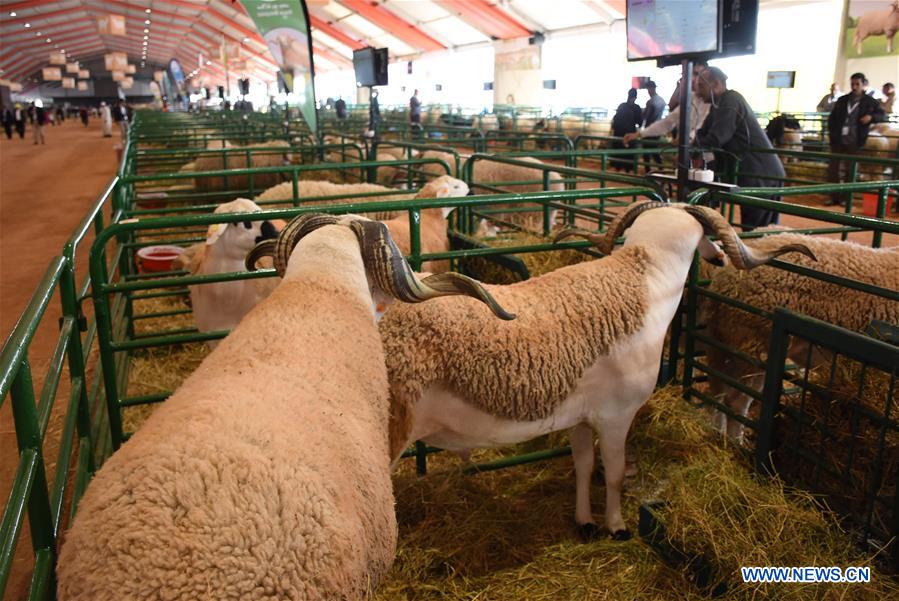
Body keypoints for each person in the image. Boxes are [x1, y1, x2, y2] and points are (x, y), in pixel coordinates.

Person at [694, 66, 785, 229]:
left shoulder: (731, 100)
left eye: (701, 86)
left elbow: (717, 137)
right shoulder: (719, 103)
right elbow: (704, 133)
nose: (697, 92)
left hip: (760, 173)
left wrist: (693, 147)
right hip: (751, 171)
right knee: (755, 227)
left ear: (716, 83)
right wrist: (697, 144)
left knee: (758, 231)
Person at [623, 66, 711, 163]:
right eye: (686, 74)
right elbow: (668, 122)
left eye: (696, 74)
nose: (692, 78)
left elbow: (702, 127)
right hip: (690, 154)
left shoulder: (712, 101)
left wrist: (686, 139)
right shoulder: (691, 98)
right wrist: (640, 134)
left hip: (705, 158)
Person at [826, 72, 887, 207]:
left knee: (850, 171)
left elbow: (882, 115)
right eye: (852, 84)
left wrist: (871, 117)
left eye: (857, 84)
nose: (854, 87)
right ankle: (833, 197)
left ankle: (845, 199)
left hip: (855, 141)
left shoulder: (870, 102)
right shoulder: (842, 100)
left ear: (863, 85)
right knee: (833, 169)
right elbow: (832, 118)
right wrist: (832, 134)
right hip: (838, 140)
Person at [610, 88, 644, 172]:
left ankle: (617, 167)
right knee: (629, 153)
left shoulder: (621, 106)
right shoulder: (636, 108)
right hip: (629, 134)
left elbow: (615, 120)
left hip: (618, 133)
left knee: (618, 151)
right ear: (635, 97)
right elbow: (640, 122)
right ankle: (627, 169)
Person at [641, 81, 667, 171]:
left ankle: (648, 170)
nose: (648, 91)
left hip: (650, 130)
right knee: (655, 150)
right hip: (658, 130)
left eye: (648, 89)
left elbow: (646, 116)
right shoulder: (662, 100)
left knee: (646, 152)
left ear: (651, 89)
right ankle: (661, 168)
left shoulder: (651, 102)